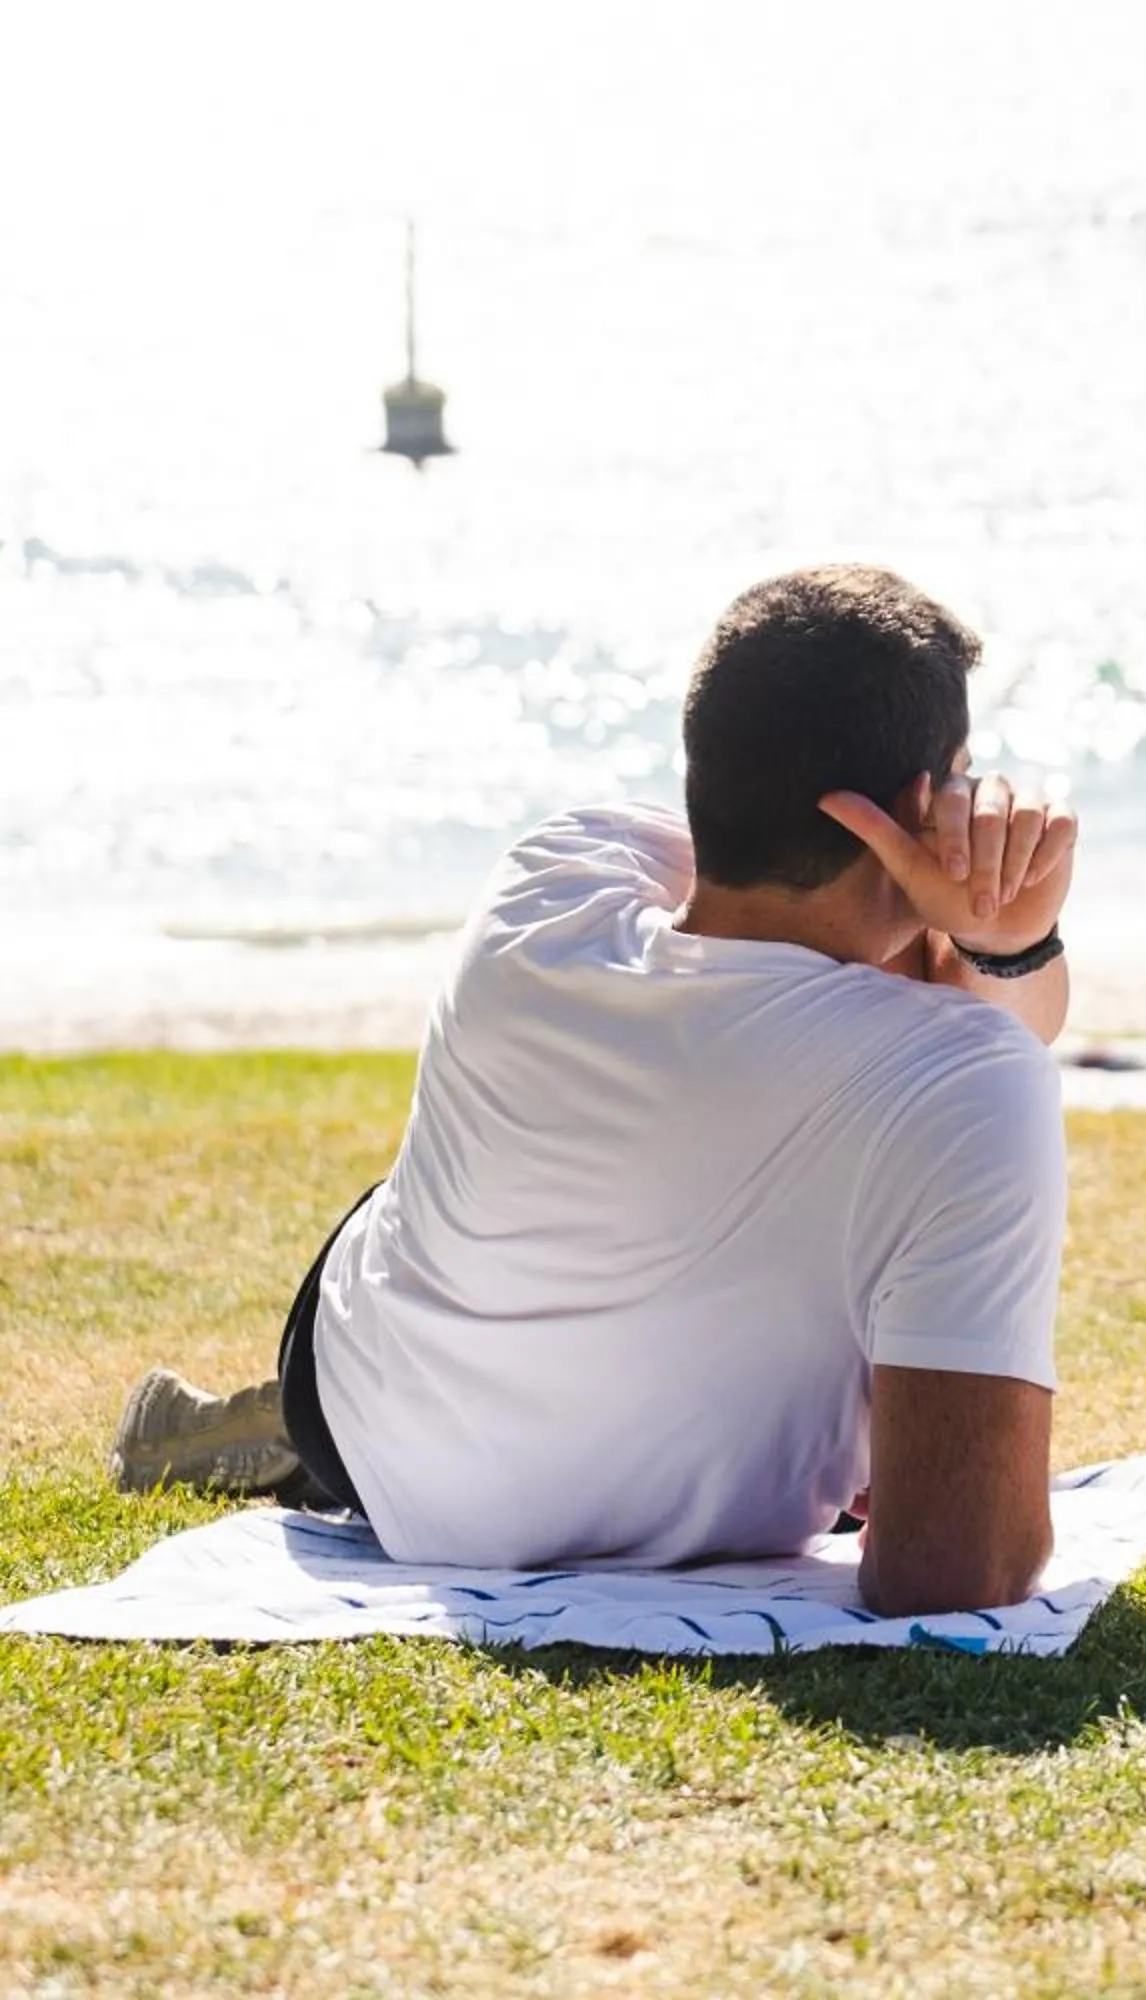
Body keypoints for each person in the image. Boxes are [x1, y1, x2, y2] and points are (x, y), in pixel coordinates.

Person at [109, 566, 1077, 1615]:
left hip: (389, 1438)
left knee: (469, 1187)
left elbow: (761, 924)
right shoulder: (972, 1080)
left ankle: (287, 1428)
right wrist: (1001, 937)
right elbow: (953, 1571)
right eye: (962, 782)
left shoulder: (556, 877)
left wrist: (988, 933)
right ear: (911, 811)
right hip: (674, 1494)